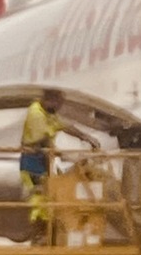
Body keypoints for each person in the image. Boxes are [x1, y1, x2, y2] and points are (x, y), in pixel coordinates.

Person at [20, 89, 100, 227]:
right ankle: (41, 228)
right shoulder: (36, 114)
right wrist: (62, 155)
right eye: (58, 104)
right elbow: (43, 139)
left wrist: (85, 136)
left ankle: (47, 227)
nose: (59, 108)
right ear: (50, 101)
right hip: (32, 161)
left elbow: (64, 125)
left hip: (42, 159)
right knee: (38, 197)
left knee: (47, 193)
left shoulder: (48, 112)